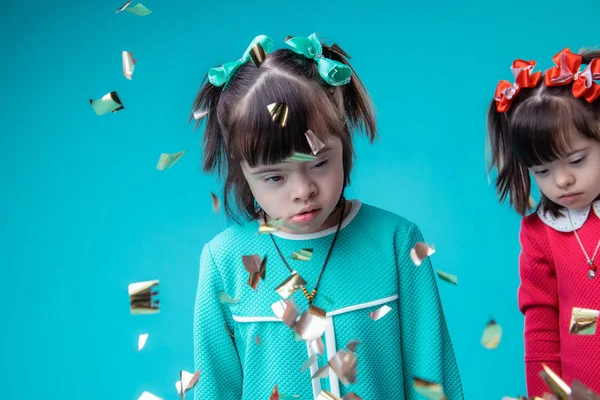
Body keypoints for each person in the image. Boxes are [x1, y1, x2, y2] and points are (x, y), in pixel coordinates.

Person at [190, 33, 463, 400]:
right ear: (243, 172)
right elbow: (213, 388)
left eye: (319, 163)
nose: (303, 190)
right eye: (274, 176)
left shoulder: (397, 243)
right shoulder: (224, 262)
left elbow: (433, 379)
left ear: (345, 143)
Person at [486, 47, 600, 395]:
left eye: (577, 160)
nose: (562, 181)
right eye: (543, 170)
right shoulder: (541, 233)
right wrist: (543, 392)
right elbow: (542, 325)